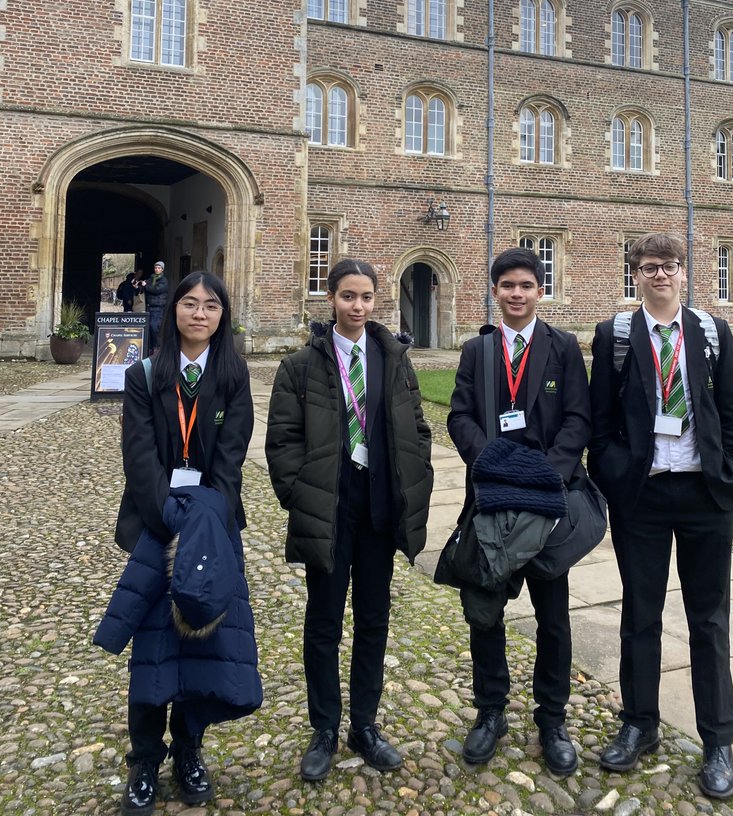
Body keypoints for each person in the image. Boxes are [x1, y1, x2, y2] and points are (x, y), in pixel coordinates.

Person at [588, 233, 733, 800]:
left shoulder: (709, 332)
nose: (660, 275)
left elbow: (731, 407)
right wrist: (612, 472)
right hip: (645, 494)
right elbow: (600, 417)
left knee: (709, 620)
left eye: (670, 266)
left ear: (684, 272)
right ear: (635, 274)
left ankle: (717, 740)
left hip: (706, 493)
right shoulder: (614, 335)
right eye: (649, 266)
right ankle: (639, 723)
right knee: (640, 614)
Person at [266, 259, 433, 782]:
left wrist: (416, 478)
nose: (357, 306)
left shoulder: (394, 359)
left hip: (379, 507)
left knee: (374, 621)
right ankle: (324, 728)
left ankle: (364, 723)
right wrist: (301, 495)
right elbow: (282, 442)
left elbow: (418, 428)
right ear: (330, 299)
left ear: (375, 301)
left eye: (365, 297)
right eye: (346, 296)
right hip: (331, 508)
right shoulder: (300, 366)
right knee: (323, 623)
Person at [100, 270, 259, 813]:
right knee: (152, 651)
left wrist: (203, 517)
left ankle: (190, 748)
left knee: (202, 648)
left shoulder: (234, 375)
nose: (199, 313)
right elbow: (139, 457)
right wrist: (169, 514)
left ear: (222, 315)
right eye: (189, 304)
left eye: (210, 305)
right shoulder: (145, 374)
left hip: (211, 528)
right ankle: (145, 758)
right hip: (155, 526)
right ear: (174, 312)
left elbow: (231, 459)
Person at [447, 247, 591, 775]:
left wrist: (543, 472)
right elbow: (459, 416)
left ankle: (551, 718)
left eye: (526, 285)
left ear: (539, 290)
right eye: (507, 285)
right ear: (495, 291)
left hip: (547, 502)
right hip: (490, 498)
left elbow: (579, 420)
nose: (516, 294)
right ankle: (490, 712)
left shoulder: (563, 348)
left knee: (553, 618)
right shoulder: (476, 351)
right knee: (485, 613)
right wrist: (492, 461)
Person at [145, 261, 169, 351]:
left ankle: (155, 345)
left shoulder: (164, 280)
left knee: (154, 326)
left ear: (162, 269)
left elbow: (156, 290)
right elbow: (146, 286)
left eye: (159, 268)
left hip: (158, 307)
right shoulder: (151, 278)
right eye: (156, 268)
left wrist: (146, 286)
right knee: (149, 327)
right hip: (149, 305)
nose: (157, 269)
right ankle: (150, 346)